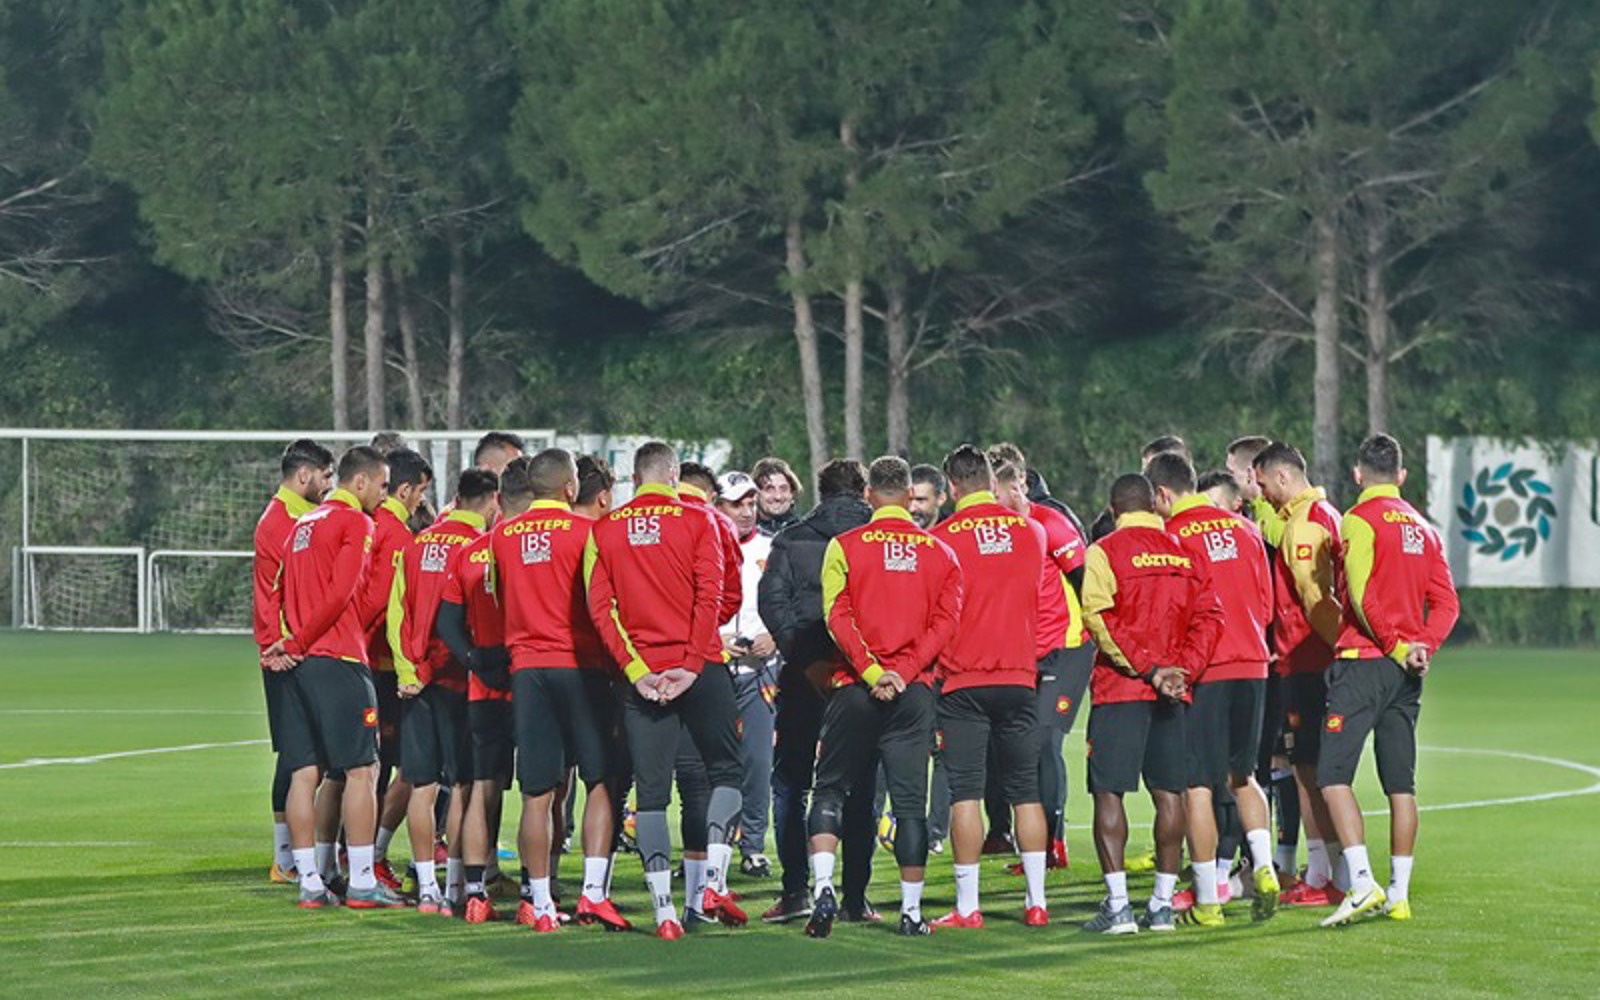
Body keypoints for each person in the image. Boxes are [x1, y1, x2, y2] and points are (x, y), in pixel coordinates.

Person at [583, 441, 745, 940]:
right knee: (725, 771)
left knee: (651, 795)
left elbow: (601, 610)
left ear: (634, 479)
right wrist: (692, 665)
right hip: (700, 668)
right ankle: (713, 883)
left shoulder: (605, 530)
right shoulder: (703, 521)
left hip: (643, 677)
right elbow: (713, 596)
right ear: (674, 476)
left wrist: (636, 671)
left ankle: (664, 914)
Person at [802, 456, 962, 939]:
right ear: (909, 495)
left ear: (869, 494)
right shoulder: (940, 553)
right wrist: (903, 672)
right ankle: (911, 913)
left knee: (830, 789)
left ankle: (823, 888)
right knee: (910, 806)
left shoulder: (844, 546)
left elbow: (837, 617)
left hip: (854, 688)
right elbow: (945, 625)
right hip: (912, 694)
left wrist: (872, 671)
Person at [1319, 434, 1460, 927]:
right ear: (1401, 476)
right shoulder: (1425, 528)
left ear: (1358, 474)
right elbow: (1448, 604)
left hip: (1364, 663)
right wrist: (1422, 647)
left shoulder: (1358, 520)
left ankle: (1362, 883)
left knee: (1332, 776)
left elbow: (1360, 596)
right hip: (1407, 675)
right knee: (1401, 784)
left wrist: (1398, 646)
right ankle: (1399, 894)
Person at [490, 448, 630, 934]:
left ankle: (541, 903)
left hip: (527, 670)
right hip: (581, 667)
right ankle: (593, 893)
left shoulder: (502, 535)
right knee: (599, 780)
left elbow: (499, 598)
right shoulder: (588, 532)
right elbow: (600, 604)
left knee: (537, 791)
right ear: (570, 488)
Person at [261, 445, 406, 909]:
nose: (384, 496)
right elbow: (343, 592)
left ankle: (309, 882)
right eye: (382, 485)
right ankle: (362, 881)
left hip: (298, 668)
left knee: (305, 773)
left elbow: (276, 589)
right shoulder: (355, 522)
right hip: (338, 659)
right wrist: (303, 639)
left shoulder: (302, 524)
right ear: (359, 482)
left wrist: (285, 643)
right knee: (363, 770)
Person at [1079, 473, 1223, 935]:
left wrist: (1148, 669)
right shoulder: (1187, 551)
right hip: (1173, 692)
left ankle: (1119, 907)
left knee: (1109, 791)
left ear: (1114, 509)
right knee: (1170, 793)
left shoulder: (1105, 551)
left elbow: (1097, 617)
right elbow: (1210, 617)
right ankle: (1161, 905)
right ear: (1154, 505)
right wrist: (1183, 671)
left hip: (1121, 689)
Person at [1148, 451, 1280, 926]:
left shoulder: (1173, 537)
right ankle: (1264, 867)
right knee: (1243, 776)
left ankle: (1208, 901)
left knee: (1197, 786)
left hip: (1206, 669)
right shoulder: (1245, 530)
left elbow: (1172, 612)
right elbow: (1266, 606)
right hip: (1253, 664)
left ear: (1163, 494)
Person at [929, 445, 1051, 929]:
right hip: (1020, 676)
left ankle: (968, 907)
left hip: (963, 678)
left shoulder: (941, 540)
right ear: (990, 481)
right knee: (1025, 791)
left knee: (965, 794)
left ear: (952, 487)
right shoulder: (1032, 532)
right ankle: (1037, 903)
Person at [755, 459, 876, 924]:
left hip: (804, 675)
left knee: (791, 783)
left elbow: (772, 602)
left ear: (821, 492)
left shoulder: (793, 538)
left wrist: (805, 660)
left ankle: (796, 891)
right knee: (861, 784)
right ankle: (855, 897)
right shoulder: (875, 538)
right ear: (863, 491)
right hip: (862, 676)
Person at [387, 468, 500, 916]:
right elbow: (462, 623)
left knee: (422, 785)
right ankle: (456, 886)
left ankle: (427, 889)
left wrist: (408, 670)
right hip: (457, 680)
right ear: (492, 502)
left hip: (415, 683)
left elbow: (396, 612)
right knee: (462, 785)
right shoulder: (477, 550)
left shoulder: (417, 544)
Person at [990, 444, 1091, 873]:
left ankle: (1054, 844)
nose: (990, 503)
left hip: (1066, 648)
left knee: (1046, 741)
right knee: (1022, 746)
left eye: (995, 493)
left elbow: (1085, 581)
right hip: (1024, 655)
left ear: (1017, 487)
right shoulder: (995, 533)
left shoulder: (1051, 523)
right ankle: (1031, 845)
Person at [1254, 441, 1346, 907]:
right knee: (1315, 770)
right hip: (1312, 661)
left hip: (1308, 662)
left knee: (1310, 772)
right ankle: (1327, 870)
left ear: (1283, 477)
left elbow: (1317, 601)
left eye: (1264, 485)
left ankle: (1330, 874)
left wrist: (1340, 646)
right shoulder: (1324, 515)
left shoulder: (1306, 525)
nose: (1262, 494)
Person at [435, 461, 522, 924]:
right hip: (529, 681)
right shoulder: (528, 548)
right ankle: (539, 892)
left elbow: (447, 621)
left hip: (481, 685)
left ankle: (472, 890)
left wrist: (474, 660)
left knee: (479, 786)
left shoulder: (470, 553)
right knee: (545, 791)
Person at [253, 439, 334, 883]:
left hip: (301, 649)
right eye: (325, 476)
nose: (328, 485)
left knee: (306, 756)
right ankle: (285, 858)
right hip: (288, 654)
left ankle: (296, 856)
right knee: (296, 756)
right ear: (304, 475)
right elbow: (269, 591)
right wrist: (274, 646)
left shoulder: (301, 517)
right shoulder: (282, 521)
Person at [365, 448, 433, 893]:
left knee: (363, 769)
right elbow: (387, 607)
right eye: (420, 492)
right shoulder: (396, 536)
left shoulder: (368, 524)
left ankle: (347, 859)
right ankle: (369, 860)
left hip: (361, 664)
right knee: (394, 769)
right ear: (405, 490)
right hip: (386, 668)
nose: (420, 501)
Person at [715, 470, 780, 878]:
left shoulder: (773, 548)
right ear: (718, 506)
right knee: (713, 766)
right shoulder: (702, 545)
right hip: (715, 671)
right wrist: (715, 639)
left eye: (750, 503)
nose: (745, 511)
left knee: (758, 762)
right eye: (736, 503)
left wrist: (776, 637)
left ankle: (752, 846)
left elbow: (789, 605)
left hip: (761, 671)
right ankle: (708, 846)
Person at [907, 463, 952, 850]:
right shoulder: (901, 544)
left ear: (941, 498)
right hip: (906, 665)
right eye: (910, 499)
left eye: (922, 500)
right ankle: (888, 819)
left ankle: (936, 831)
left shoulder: (949, 544)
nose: (914, 508)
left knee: (942, 749)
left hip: (945, 665)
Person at [753, 456, 803, 537]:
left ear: (792, 493)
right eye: (770, 489)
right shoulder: (742, 534)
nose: (778, 496)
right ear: (756, 494)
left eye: (783, 489)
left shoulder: (806, 534)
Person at [908, 464, 948, 531]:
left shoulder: (957, 532)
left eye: (920, 500)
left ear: (941, 499)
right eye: (908, 500)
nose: (911, 509)